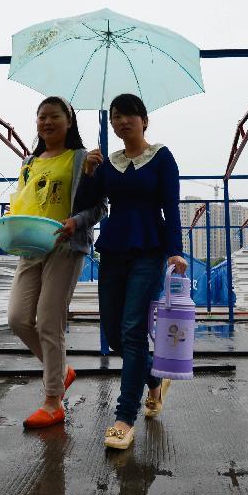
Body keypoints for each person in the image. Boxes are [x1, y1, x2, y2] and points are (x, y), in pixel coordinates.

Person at [74, 93, 188, 450]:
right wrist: (89, 173)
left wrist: (175, 251)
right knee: (114, 332)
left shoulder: (162, 158)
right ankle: (154, 378)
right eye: (115, 117)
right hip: (113, 250)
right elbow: (84, 204)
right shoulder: (109, 164)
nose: (122, 122)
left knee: (133, 330)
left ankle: (124, 417)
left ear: (143, 120)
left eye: (128, 115)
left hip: (149, 251)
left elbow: (171, 206)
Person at [7, 96, 106, 429]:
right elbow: (22, 201)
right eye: (41, 117)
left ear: (69, 122)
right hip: (31, 245)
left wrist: (76, 221)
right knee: (19, 318)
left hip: (65, 246)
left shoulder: (82, 159)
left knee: (49, 321)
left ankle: (53, 401)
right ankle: (62, 371)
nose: (46, 122)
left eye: (54, 116)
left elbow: (98, 209)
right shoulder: (29, 162)